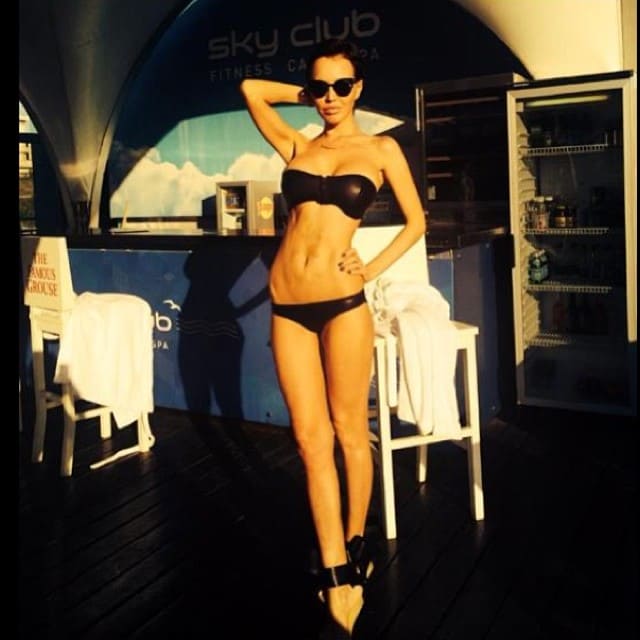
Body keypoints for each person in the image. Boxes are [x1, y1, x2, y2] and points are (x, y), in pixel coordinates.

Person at [240, 38, 426, 636]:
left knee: (349, 431)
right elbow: (250, 90)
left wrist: (369, 270)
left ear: (359, 88)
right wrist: (309, 97)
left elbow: (416, 221)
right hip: (288, 305)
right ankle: (336, 570)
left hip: (344, 303)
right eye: (320, 87)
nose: (329, 97)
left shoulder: (380, 149)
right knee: (309, 440)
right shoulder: (299, 145)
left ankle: (354, 539)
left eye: (341, 86)